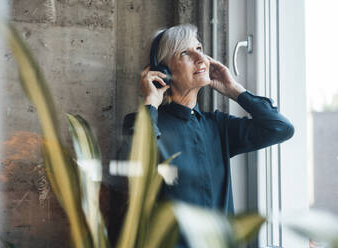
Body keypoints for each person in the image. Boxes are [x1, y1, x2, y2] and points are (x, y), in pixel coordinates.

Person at [113, 23, 294, 248]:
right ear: (163, 72)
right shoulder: (144, 123)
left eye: (199, 48)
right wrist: (150, 104)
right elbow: (133, 168)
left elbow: (280, 128)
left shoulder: (217, 126)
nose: (201, 58)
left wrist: (234, 89)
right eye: (185, 53)